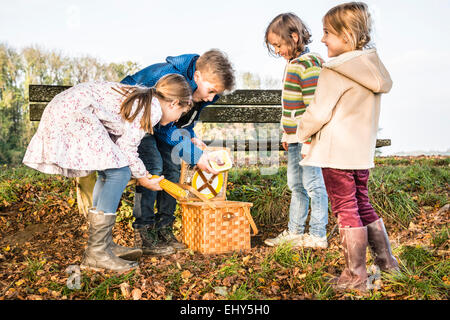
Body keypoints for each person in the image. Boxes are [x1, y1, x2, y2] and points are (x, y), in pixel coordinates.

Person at [23, 74, 194, 272]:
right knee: (119, 172)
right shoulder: (153, 108)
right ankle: (97, 252)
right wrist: (143, 177)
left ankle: (104, 245)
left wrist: (141, 173)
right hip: (75, 112)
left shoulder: (144, 97)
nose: (176, 119)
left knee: (109, 170)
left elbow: (120, 142)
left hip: (68, 107)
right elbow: (128, 147)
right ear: (173, 103)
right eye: (180, 113)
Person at [296, 2, 399, 291]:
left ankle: (355, 277)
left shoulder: (336, 71)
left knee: (345, 208)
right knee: (362, 203)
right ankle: (388, 265)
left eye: (327, 32)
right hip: (360, 154)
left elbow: (318, 112)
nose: (323, 38)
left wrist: (299, 132)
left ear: (346, 35)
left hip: (336, 152)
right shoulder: (373, 71)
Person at [121, 49, 235, 255]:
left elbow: (184, 121)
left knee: (173, 169)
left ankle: (164, 227)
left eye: (215, 94)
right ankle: (143, 231)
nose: (210, 98)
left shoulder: (200, 92)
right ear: (197, 76)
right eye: (210, 91)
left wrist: (189, 136)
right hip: (138, 123)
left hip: (163, 126)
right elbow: (163, 124)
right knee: (153, 166)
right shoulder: (170, 77)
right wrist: (196, 156)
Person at [263, 13, 329, 249]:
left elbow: (313, 107)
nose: (278, 50)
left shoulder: (309, 64)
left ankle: (318, 235)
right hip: (294, 139)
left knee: (313, 184)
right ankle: (295, 232)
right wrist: (287, 135)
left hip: (308, 139)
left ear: (293, 37)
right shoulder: (293, 64)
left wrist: (309, 141)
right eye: (274, 47)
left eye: (279, 45)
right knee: (296, 185)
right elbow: (291, 107)